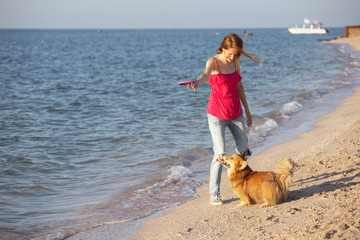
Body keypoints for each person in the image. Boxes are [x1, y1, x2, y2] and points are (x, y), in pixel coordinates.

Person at [187, 33, 263, 205]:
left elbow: (239, 86)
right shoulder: (213, 62)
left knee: (243, 151)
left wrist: (248, 111)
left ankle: (244, 184)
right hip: (216, 114)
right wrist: (197, 82)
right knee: (220, 154)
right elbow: (205, 75)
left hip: (235, 112)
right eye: (230, 53)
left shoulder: (236, 61)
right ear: (223, 48)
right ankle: (214, 193)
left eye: (236, 54)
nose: (232, 57)